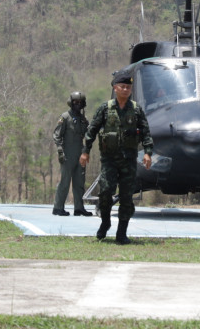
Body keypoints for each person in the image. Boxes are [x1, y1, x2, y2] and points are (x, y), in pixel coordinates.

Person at [80, 70, 154, 244]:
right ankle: (105, 222)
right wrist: (85, 151)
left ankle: (122, 233)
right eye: (122, 86)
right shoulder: (105, 109)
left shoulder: (136, 110)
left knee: (126, 197)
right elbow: (92, 131)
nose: (126, 89)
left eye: (128, 87)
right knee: (106, 192)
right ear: (115, 88)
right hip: (109, 160)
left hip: (129, 161)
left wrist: (148, 153)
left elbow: (146, 132)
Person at [52, 91, 93, 217]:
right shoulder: (65, 117)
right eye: (75, 102)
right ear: (71, 102)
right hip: (67, 153)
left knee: (79, 182)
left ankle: (79, 208)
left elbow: (89, 134)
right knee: (65, 181)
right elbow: (57, 136)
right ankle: (58, 207)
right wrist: (60, 151)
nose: (77, 104)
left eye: (80, 102)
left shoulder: (83, 119)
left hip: (80, 153)